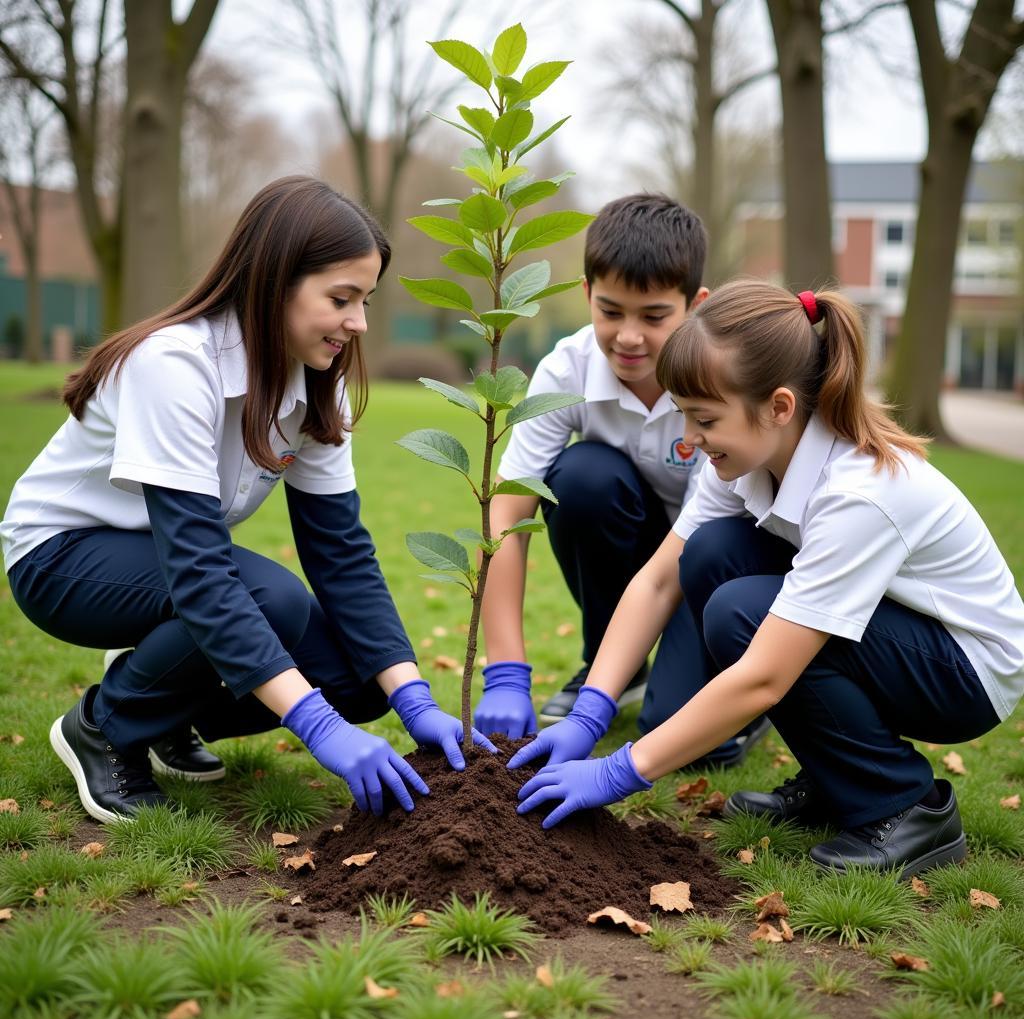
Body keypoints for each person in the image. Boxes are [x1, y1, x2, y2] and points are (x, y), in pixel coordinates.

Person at [2, 176, 494, 825]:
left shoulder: (317, 383)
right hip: (61, 559)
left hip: (166, 564)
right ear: (275, 281)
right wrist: (316, 727)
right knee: (272, 600)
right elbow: (202, 575)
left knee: (355, 677)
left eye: (367, 300)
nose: (360, 323)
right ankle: (106, 725)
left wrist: (415, 700)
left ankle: (163, 708)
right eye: (342, 298)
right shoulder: (176, 366)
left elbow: (341, 553)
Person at [511, 279, 1024, 879]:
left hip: (965, 671)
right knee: (711, 552)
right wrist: (589, 715)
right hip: (899, 637)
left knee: (742, 613)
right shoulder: (746, 458)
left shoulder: (858, 493)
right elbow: (658, 581)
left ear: (779, 406)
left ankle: (906, 806)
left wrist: (619, 769)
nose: (688, 439)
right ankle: (836, 781)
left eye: (703, 419)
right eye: (684, 416)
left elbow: (764, 677)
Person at [475, 193, 768, 768]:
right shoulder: (567, 370)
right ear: (586, 295)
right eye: (611, 311)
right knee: (582, 479)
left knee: (676, 735)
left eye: (654, 316)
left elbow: (700, 548)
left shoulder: (724, 382)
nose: (628, 338)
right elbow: (506, 512)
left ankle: (741, 684)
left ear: (695, 305)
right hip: (643, 539)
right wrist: (505, 670)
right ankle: (619, 669)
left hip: (713, 553)